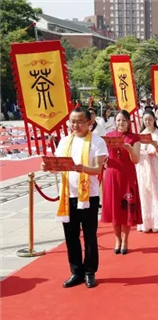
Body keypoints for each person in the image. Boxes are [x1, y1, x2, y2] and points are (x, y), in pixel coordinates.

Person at [41, 107, 108, 288]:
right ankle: (76, 271)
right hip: (68, 195)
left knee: (89, 235)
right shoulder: (64, 142)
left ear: (89, 123)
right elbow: (59, 166)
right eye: (72, 121)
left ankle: (89, 272)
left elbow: (97, 170)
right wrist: (49, 167)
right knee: (70, 235)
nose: (75, 125)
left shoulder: (97, 142)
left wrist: (82, 168)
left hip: (88, 196)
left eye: (79, 121)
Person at [101, 110, 142, 255]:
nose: (121, 123)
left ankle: (125, 240)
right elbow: (103, 156)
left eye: (124, 120)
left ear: (128, 122)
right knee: (115, 209)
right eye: (118, 120)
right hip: (112, 175)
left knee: (126, 208)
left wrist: (130, 150)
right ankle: (117, 239)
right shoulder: (109, 137)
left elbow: (136, 160)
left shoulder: (134, 138)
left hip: (127, 176)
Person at [136, 110, 158, 233]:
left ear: (154, 120)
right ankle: (146, 222)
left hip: (156, 166)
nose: (148, 122)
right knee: (145, 193)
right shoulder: (141, 134)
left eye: (150, 119)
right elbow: (137, 150)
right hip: (144, 167)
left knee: (157, 193)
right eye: (145, 120)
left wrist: (155, 146)